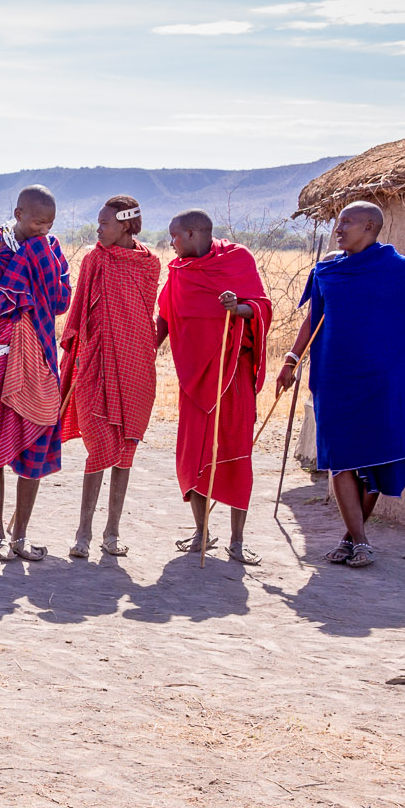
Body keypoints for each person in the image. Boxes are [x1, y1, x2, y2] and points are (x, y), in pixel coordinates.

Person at [278, 201, 405, 569]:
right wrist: (291, 359)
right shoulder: (327, 270)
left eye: (346, 222)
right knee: (340, 457)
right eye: (338, 222)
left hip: (382, 381)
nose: (338, 229)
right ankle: (361, 540)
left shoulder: (397, 270)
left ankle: (351, 539)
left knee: (378, 458)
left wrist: (398, 375)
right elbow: (315, 319)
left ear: (369, 227)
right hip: (335, 379)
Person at [156, 209, 271, 564]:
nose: (171, 244)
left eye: (174, 237)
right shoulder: (178, 272)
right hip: (192, 380)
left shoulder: (238, 260)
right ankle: (202, 532)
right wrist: (141, 350)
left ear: (191, 234)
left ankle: (237, 541)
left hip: (232, 375)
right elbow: (164, 316)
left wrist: (239, 308)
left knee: (235, 454)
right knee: (196, 455)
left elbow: (262, 308)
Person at [0, 185, 72, 563]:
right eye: (36, 221)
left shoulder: (49, 249)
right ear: (17, 213)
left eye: (49, 223)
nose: (43, 228)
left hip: (41, 357)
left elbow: (61, 300)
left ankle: (20, 535)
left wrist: (39, 250)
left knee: (38, 438)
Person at [60, 196, 162, 560]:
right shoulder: (94, 259)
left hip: (135, 364)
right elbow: (79, 310)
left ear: (126, 225)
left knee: (125, 450)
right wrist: (76, 351)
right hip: (96, 364)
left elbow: (142, 315)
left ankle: (112, 532)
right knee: (99, 447)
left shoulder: (150, 265)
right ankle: (83, 532)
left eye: (104, 223)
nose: (98, 228)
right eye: (98, 222)